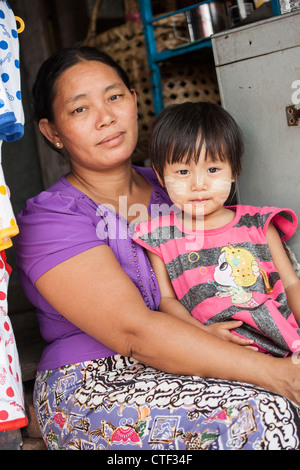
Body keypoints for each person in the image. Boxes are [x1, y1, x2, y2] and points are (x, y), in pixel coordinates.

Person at [13, 46, 300, 451]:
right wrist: (277, 375)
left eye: (114, 97)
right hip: (98, 379)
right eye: (80, 109)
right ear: (53, 132)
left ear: (133, 99)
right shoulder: (50, 220)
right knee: (261, 415)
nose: (106, 117)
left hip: (207, 357)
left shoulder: (184, 186)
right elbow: (135, 332)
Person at [133, 101, 300, 358]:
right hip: (215, 352)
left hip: (284, 343)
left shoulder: (258, 224)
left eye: (212, 169)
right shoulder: (160, 236)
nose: (198, 184)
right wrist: (203, 333)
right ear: (160, 174)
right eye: (182, 171)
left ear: (234, 169)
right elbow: (166, 301)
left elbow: (290, 284)